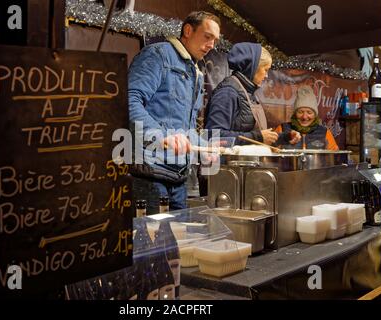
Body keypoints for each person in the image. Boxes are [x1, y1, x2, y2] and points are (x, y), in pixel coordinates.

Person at [128, 11, 221, 213]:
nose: (212, 45)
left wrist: (205, 148)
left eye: (215, 40)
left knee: (178, 241)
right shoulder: (158, 55)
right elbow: (130, 101)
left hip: (179, 177)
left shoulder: (195, 72)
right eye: (207, 36)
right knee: (153, 242)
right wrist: (160, 136)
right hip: (150, 174)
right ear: (188, 30)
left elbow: (184, 129)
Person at [205, 42, 300, 146]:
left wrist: (285, 137)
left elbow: (258, 136)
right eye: (266, 70)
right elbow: (213, 136)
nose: (267, 76)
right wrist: (258, 137)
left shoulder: (249, 93)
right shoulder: (227, 92)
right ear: (253, 67)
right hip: (227, 161)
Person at [274, 85, 339, 150]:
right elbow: (269, 150)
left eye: (309, 112)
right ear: (294, 113)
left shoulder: (325, 133)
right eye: (300, 112)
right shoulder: (282, 129)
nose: (304, 117)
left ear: (315, 114)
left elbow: (334, 156)